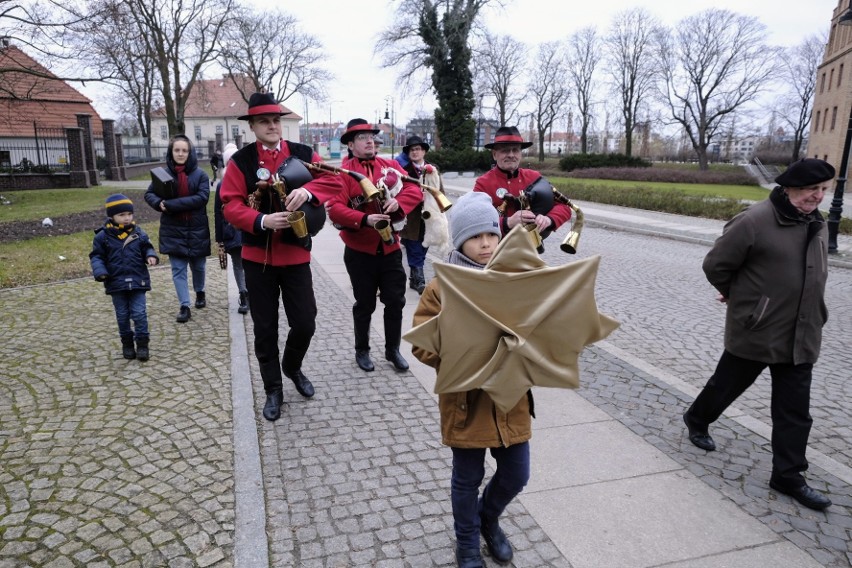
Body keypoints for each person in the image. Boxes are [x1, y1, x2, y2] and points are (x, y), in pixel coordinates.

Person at [683, 158, 835, 511]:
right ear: (789, 188)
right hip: (758, 328)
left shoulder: (816, 222)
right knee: (726, 386)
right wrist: (739, 295)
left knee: (795, 411)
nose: (818, 197)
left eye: (824, 190)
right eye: (812, 189)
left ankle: (788, 475)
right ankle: (698, 418)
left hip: (802, 333)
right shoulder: (754, 221)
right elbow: (716, 265)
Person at [411, 191, 530, 568]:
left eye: (491, 235)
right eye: (476, 236)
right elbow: (422, 345)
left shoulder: (515, 278)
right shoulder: (441, 287)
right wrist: (466, 345)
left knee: (517, 474)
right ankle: (466, 542)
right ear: (460, 239)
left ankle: (487, 519)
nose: (485, 244)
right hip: (466, 400)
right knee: (467, 478)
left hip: (510, 399)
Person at [220, 92, 344, 422]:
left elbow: (336, 181)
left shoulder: (303, 154)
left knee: (305, 322)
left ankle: (292, 366)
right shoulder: (241, 161)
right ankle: (273, 389)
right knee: (265, 329)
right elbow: (230, 205)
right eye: (265, 121)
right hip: (256, 258)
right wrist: (261, 221)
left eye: (276, 120)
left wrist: (311, 190)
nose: (272, 126)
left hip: (295, 255)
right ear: (253, 126)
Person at [327, 118, 423, 373]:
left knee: (395, 301)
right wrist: (364, 219)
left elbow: (416, 189)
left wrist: (399, 203)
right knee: (365, 304)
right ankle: (362, 350)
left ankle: (392, 350)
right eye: (361, 137)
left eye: (371, 136)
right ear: (350, 144)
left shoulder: (390, 166)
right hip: (360, 251)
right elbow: (334, 209)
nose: (370, 140)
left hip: (390, 249)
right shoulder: (343, 174)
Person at [144, 134, 211, 323]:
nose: (180, 154)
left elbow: (201, 198)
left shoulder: (201, 175)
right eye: (177, 150)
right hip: (173, 229)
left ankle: (200, 291)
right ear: (171, 152)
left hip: (196, 228)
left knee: (198, 266)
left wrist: (171, 204)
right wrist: (159, 204)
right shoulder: (163, 174)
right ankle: (184, 305)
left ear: (190, 153)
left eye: (184, 150)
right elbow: (149, 194)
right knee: (178, 269)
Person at [473, 126, 572, 248]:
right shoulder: (483, 183)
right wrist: (507, 222)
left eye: (515, 150)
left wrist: (549, 219)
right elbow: (475, 221)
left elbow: (564, 206)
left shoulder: (534, 177)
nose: (511, 155)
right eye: (505, 150)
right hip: (494, 251)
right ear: (494, 155)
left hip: (529, 251)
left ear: (520, 154)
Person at [90, 194, 159, 361]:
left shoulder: (138, 233)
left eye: (129, 214)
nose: (127, 218)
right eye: (121, 215)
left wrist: (151, 256)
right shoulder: (103, 236)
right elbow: (96, 256)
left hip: (138, 280)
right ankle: (127, 343)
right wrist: (100, 271)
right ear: (111, 216)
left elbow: (147, 247)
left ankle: (142, 344)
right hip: (116, 282)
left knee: (139, 313)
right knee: (122, 315)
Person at [397, 135, 444, 294]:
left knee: (423, 247)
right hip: (411, 217)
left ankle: (412, 279)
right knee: (414, 247)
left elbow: (440, 191)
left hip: (429, 217)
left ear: (424, 151)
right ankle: (420, 281)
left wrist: (433, 197)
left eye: (418, 149)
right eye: (412, 150)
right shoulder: (403, 170)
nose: (415, 152)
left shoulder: (433, 168)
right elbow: (398, 191)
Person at [214, 142, 248, 315]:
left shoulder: (247, 179)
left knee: (248, 263)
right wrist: (219, 239)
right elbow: (217, 213)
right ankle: (243, 294)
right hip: (231, 231)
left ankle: (249, 293)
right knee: (238, 264)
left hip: (248, 229)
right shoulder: (222, 185)